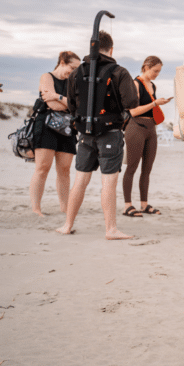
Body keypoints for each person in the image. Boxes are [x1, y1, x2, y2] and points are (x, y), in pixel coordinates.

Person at [56, 31, 139, 239]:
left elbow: (72, 105)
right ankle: (110, 229)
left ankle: (67, 224)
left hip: (85, 134)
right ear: (111, 49)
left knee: (80, 180)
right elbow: (132, 103)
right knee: (108, 182)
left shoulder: (77, 72)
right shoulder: (119, 71)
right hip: (110, 133)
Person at [30, 51, 80, 216]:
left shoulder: (73, 82)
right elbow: (53, 106)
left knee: (64, 169)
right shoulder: (47, 77)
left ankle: (65, 207)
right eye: (72, 68)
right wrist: (66, 102)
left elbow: (78, 105)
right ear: (62, 62)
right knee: (43, 168)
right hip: (46, 127)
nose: (73, 72)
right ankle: (36, 208)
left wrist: (57, 96)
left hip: (68, 128)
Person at [121, 56, 171, 217]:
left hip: (151, 128)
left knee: (147, 169)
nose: (157, 74)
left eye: (159, 71)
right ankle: (127, 205)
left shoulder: (152, 85)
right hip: (136, 127)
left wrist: (157, 103)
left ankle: (144, 204)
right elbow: (133, 111)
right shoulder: (135, 83)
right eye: (155, 71)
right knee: (132, 167)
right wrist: (155, 103)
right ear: (146, 67)